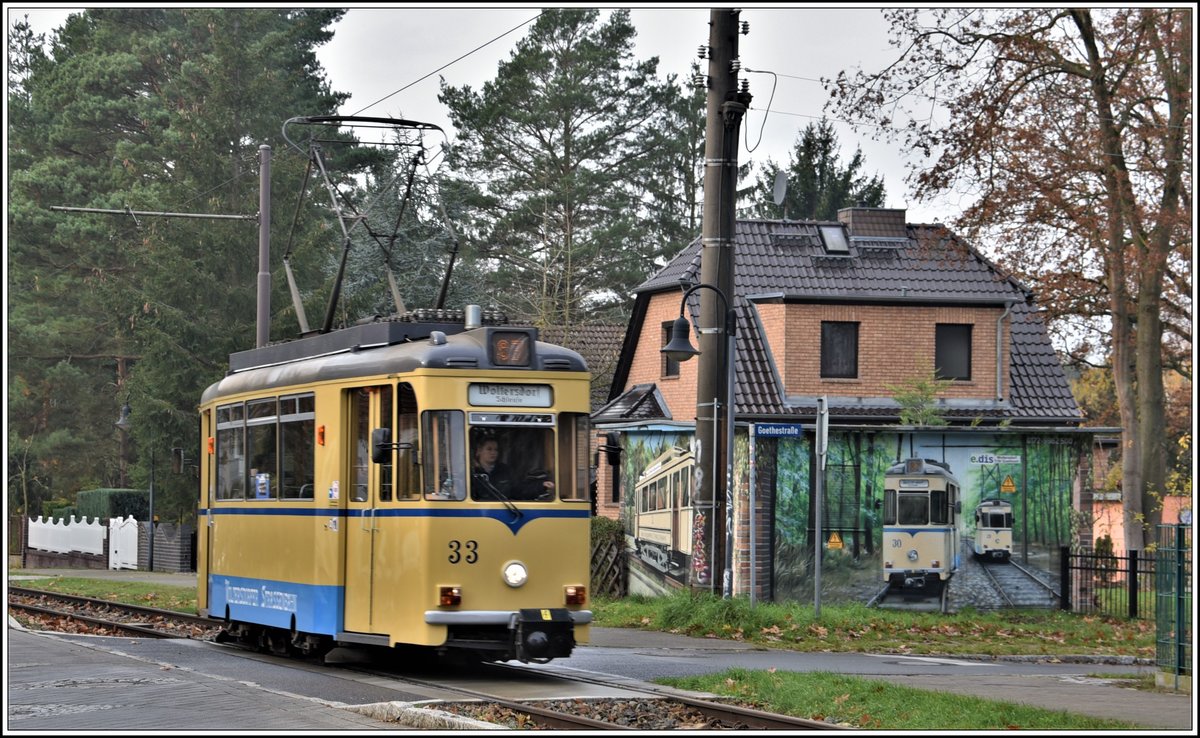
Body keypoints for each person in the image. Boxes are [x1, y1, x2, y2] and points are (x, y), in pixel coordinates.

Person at [471, 436, 554, 500]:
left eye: (496, 450)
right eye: (489, 449)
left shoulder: (505, 470)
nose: (493, 452)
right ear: (479, 451)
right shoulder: (471, 472)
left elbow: (520, 490)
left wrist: (541, 485)